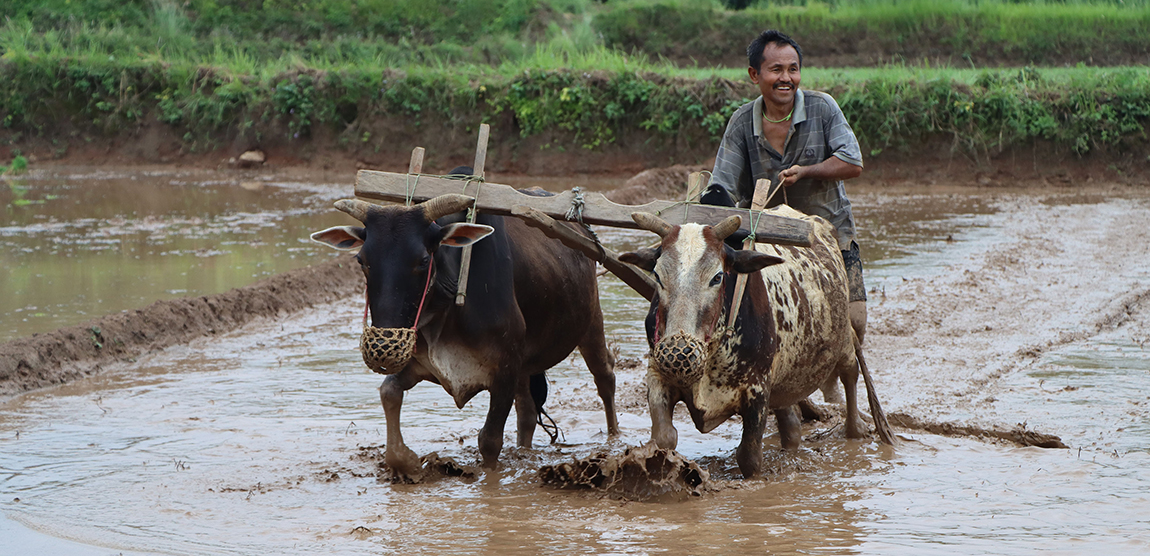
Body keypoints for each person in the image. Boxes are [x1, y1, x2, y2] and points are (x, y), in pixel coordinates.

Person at [701, 29, 868, 344]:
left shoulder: (823, 108)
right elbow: (723, 184)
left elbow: (852, 162)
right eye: (776, 69)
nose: (786, 78)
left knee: (854, 323)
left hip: (828, 237)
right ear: (755, 74)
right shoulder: (741, 122)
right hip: (768, 242)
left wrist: (807, 171)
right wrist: (703, 222)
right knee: (761, 326)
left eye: (793, 69)